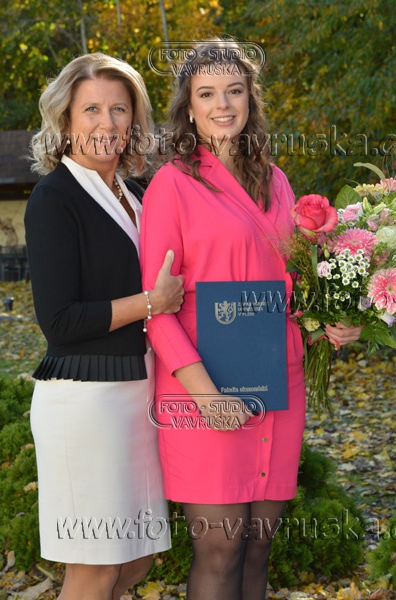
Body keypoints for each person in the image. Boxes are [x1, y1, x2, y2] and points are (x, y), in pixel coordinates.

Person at [140, 39, 362, 600]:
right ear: (188, 107)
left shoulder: (277, 181)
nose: (222, 104)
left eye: (234, 91)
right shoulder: (172, 184)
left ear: (250, 99)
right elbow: (157, 310)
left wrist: (333, 322)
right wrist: (208, 398)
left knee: (259, 545)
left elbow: (295, 285)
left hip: (277, 381)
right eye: (207, 93)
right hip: (202, 387)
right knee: (220, 550)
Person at [24, 53, 184, 600]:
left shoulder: (138, 194)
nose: (107, 122)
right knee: (94, 569)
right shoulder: (54, 198)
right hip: (86, 405)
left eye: (119, 109)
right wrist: (151, 303)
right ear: (65, 119)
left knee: (137, 559)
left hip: (141, 396)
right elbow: (60, 321)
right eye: (91, 109)